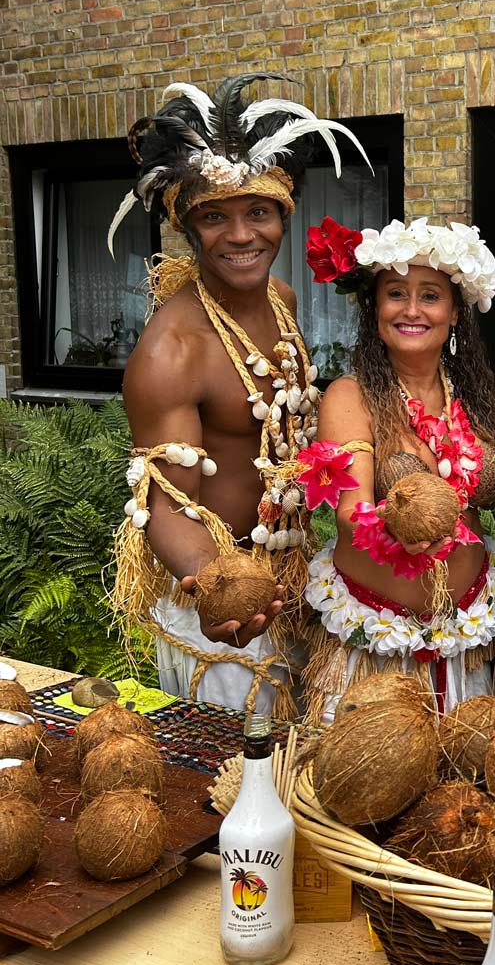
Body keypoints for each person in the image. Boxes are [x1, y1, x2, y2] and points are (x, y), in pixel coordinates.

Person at [110, 75, 368, 713]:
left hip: (297, 574)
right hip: (223, 600)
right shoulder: (172, 351)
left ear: (284, 214)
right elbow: (167, 503)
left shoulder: (282, 299)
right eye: (214, 217)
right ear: (186, 227)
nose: (241, 234)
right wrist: (216, 586)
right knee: (236, 766)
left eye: (258, 212)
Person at [301, 216, 495, 720]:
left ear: (455, 312)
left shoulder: (473, 398)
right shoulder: (351, 396)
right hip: (379, 640)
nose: (412, 309)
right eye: (396, 294)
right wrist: (393, 532)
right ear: (375, 309)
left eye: (430, 296)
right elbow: (350, 513)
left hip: (467, 637)